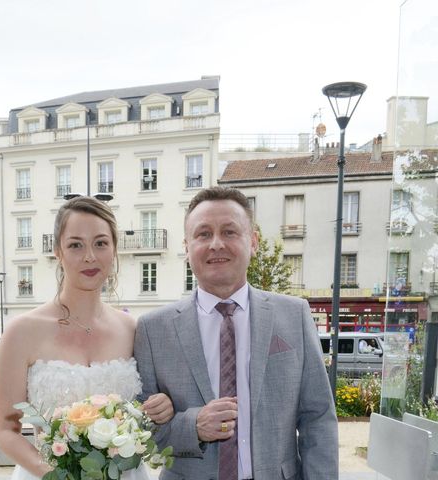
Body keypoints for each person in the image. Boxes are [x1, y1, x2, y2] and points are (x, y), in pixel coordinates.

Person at [134, 186, 338, 480]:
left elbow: (318, 418)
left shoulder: (294, 315)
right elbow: (141, 432)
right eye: (203, 234)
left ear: (253, 241)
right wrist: (193, 426)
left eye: (229, 232)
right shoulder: (152, 330)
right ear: (187, 246)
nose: (216, 244)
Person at [0, 196, 174, 479]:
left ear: (114, 249)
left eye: (100, 243)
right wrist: (59, 474)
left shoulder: (133, 330)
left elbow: (147, 407)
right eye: (76, 245)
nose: (90, 256)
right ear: (57, 251)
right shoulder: (21, 332)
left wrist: (163, 405)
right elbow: (6, 430)